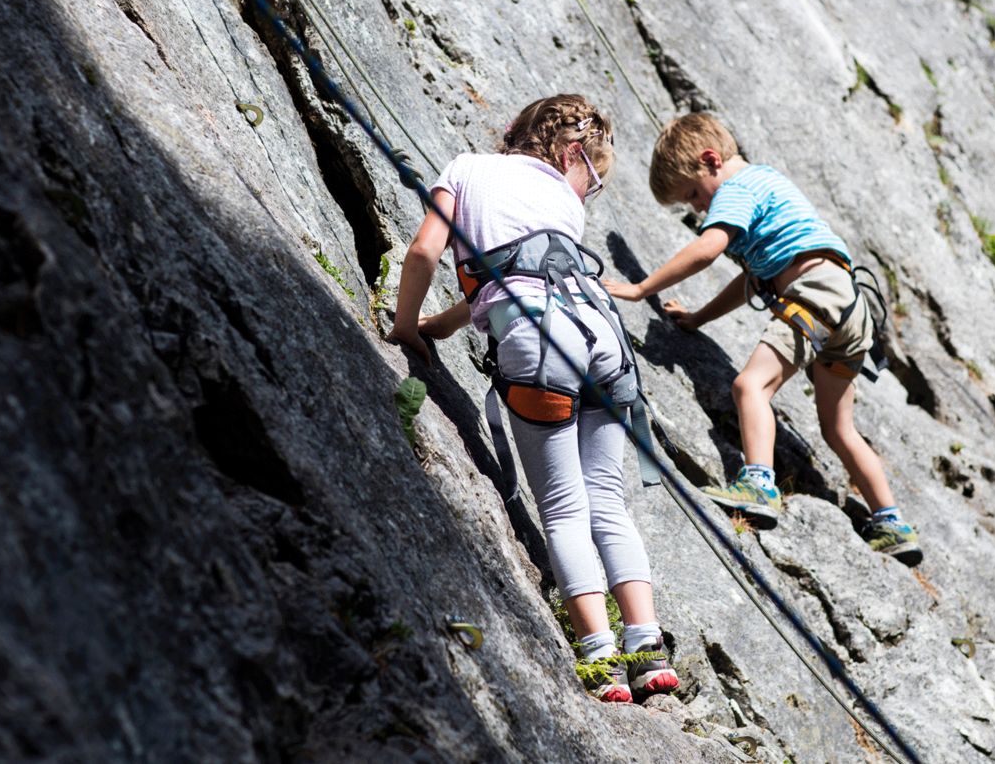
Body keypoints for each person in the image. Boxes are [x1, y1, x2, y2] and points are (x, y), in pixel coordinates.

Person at [389, 95, 681, 701]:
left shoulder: (467, 169)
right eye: (591, 178)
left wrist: (407, 324)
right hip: (603, 338)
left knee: (563, 506)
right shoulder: (559, 202)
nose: (587, 191)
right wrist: (442, 327)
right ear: (573, 152)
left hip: (537, 344)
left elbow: (429, 253)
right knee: (607, 497)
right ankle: (647, 648)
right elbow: (525, 274)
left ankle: (600, 655)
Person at [603, 113, 921, 566]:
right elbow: (752, 278)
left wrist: (640, 289)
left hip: (816, 294)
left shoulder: (737, 189)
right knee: (838, 428)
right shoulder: (766, 189)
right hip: (849, 306)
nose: (697, 209)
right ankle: (891, 522)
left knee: (750, 386)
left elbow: (708, 249)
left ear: (710, 160)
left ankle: (757, 483)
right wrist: (696, 319)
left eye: (693, 195)